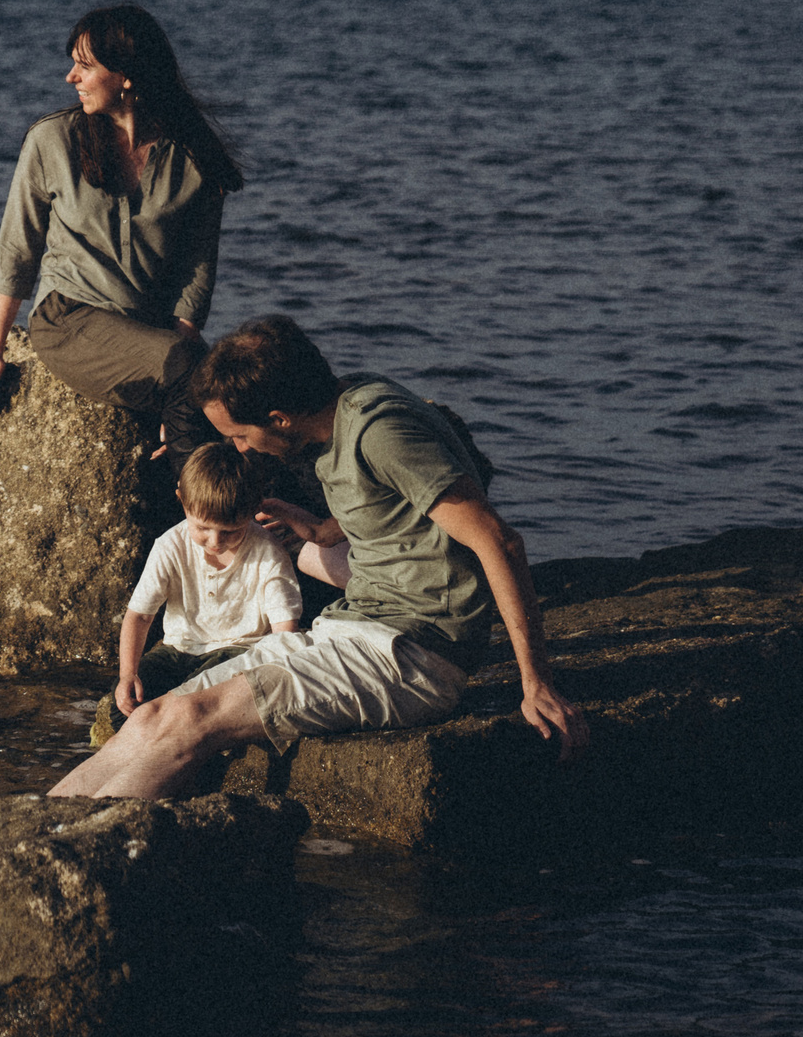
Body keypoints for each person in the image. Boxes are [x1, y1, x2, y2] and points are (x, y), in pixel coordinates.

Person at [52, 315, 588, 799]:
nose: (240, 450)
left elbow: (498, 540)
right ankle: (36, 830)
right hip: (350, 627)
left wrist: (536, 682)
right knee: (153, 716)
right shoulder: (341, 413)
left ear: (279, 418)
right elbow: (398, 505)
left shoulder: (381, 431)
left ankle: (85, 850)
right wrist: (322, 529)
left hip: (413, 653)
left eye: (240, 435)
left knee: (193, 721)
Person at [0, 5, 242, 474]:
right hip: (68, 320)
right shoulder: (52, 140)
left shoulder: (192, 155)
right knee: (196, 376)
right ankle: (202, 509)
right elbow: (18, 250)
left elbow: (197, 270)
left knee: (231, 389)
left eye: (85, 66)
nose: (70, 77)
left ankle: (233, 504)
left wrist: (175, 376)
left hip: (151, 332)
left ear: (126, 76)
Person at [102, 442, 303, 737]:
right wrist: (127, 674)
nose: (215, 541)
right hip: (179, 649)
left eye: (230, 531)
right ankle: (162, 741)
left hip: (239, 650)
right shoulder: (170, 546)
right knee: (125, 706)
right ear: (182, 501)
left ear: (252, 510)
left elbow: (284, 630)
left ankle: (188, 742)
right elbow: (140, 616)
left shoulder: (267, 552)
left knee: (195, 697)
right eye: (203, 528)